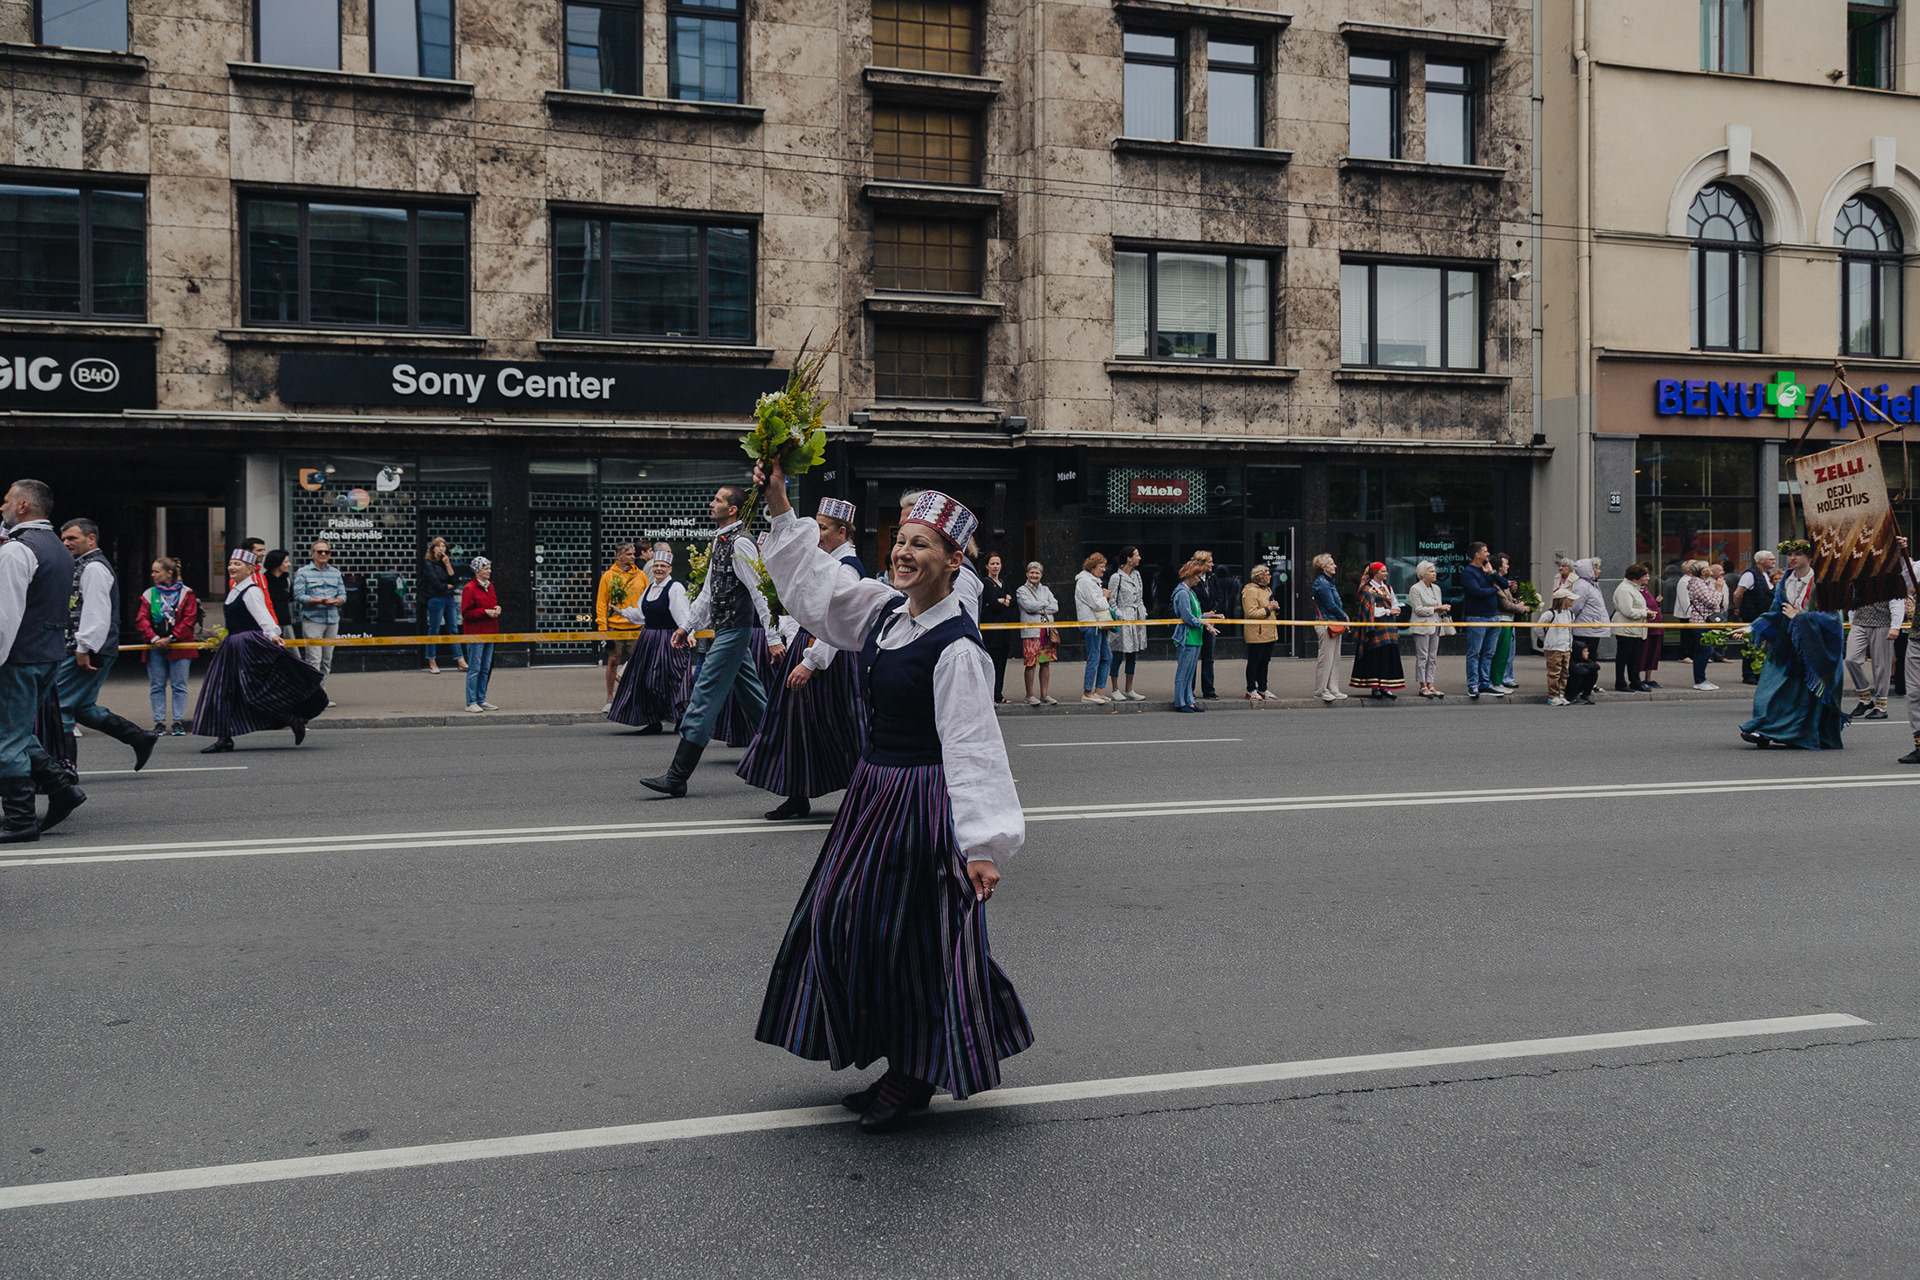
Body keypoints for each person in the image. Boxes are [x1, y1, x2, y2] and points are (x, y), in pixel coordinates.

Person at [752, 462, 1030, 1133]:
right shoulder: (883, 612)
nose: (904, 553)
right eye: (900, 541)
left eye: (920, 544)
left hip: (922, 804)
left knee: (912, 942)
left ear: (953, 560)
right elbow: (817, 591)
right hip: (873, 794)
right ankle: (904, 1057)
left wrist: (983, 844)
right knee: (841, 921)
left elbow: (972, 746)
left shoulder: (957, 648)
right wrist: (781, 502)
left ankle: (913, 1072)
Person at [641, 483, 780, 798]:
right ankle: (785, 755)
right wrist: (687, 626)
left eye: (718, 499)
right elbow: (708, 592)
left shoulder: (741, 542)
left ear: (732, 509)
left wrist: (772, 637)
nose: (711, 503)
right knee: (755, 701)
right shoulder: (721, 540)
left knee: (702, 698)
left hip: (734, 631)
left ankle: (677, 776)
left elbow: (759, 591)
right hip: (727, 630)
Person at [737, 498, 868, 821]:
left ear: (841, 532)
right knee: (797, 724)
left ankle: (866, 795)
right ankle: (798, 793)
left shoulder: (847, 567)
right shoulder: (828, 561)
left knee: (843, 726)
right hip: (809, 645)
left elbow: (840, 619)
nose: (817, 534)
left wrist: (811, 662)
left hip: (831, 657)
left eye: (822, 528)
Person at [0, 480, 87, 840]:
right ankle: (62, 788)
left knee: (7, 740)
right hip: (48, 654)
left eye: (6, 501)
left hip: (19, 656)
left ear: (23, 506)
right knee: (17, 731)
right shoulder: (57, 548)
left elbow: (5, 616)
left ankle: (20, 820)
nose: (2, 507)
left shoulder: (17, 551)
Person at [191, 549, 328, 753]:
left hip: (247, 644)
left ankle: (292, 719)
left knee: (254, 691)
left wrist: (273, 635)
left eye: (237, 564)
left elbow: (263, 616)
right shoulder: (235, 589)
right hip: (232, 645)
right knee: (223, 690)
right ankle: (224, 738)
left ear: (250, 569)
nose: (232, 567)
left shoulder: (251, 591)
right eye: (231, 563)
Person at [56, 518, 161, 771]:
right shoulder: (83, 565)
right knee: (82, 708)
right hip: (88, 647)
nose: (66, 543)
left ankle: (64, 771)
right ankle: (139, 737)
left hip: (88, 649)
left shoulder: (93, 568)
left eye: (72, 538)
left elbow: (96, 612)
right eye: (64, 539)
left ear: (91, 539)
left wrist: (84, 648)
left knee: (58, 706)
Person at [1741, 540, 1845, 750]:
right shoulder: (1785, 580)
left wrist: (1800, 617)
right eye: (1789, 554)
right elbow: (1775, 612)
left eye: (1798, 554)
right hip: (1786, 644)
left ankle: (1778, 733)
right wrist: (1752, 628)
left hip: (1813, 648)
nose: (1792, 558)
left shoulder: (1823, 582)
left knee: (1803, 698)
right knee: (1768, 691)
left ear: (1810, 557)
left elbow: (1833, 618)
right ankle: (1763, 728)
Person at [608, 543, 692, 734]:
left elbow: (683, 616)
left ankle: (680, 718)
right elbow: (641, 614)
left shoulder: (675, 588)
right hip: (649, 640)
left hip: (669, 640)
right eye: (656, 566)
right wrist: (621, 611)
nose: (659, 569)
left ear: (670, 568)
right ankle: (653, 720)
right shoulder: (650, 588)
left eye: (663, 566)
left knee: (669, 681)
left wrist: (689, 635)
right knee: (645, 681)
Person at [135, 557, 198, 735]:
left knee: (179, 685)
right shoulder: (149, 594)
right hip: (155, 647)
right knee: (157, 685)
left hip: (180, 645)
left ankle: (178, 721)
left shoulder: (187, 594)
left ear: (169, 573)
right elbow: (141, 619)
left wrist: (171, 637)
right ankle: (159, 722)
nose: (152, 575)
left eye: (156, 571)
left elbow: (189, 620)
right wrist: (155, 638)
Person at [899, 490, 982, 620]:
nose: (904, 529)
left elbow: (963, 622)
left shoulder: (955, 575)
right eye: (902, 526)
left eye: (920, 544)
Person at [596, 541, 646, 712]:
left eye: (633, 554)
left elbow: (646, 599)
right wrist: (602, 628)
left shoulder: (641, 575)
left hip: (636, 626)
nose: (633, 557)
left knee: (637, 663)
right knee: (613, 661)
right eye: (629, 554)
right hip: (614, 627)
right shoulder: (608, 576)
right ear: (619, 556)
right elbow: (601, 603)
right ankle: (610, 699)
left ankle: (635, 697)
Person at [291, 539, 344, 688]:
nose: (323, 554)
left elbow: (343, 594)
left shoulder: (336, 573)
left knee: (327, 660)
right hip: (313, 620)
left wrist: (338, 600)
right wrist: (319, 601)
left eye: (326, 552)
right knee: (314, 659)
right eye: (320, 551)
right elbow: (298, 596)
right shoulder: (303, 572)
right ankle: (313, 693)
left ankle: (322, 691)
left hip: (332, 620)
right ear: (312, 554)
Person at [1348, 561, 1405, 700]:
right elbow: (1370, 610)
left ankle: (1385, 686)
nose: (1386, 573)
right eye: (1383, 571)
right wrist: (1388, 611)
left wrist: (1396, 609)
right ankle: (1375, 687)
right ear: (1375, 573)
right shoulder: (1368, 589)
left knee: (1387, 656)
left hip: (1389, 628)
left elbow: (1395, 603)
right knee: (1376, 656)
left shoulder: (1388, 588)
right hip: (1375, 629)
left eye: (1386, 571)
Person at [1459, 542, 1509, 700]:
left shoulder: (1487, 570)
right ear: (1477, 554)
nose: (1488, 554)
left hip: (1493, 616)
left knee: (1489, 653)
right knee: (1474, 653)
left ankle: (1485, 683)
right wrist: (1494, 589)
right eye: (1485, 552)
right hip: (1477, 616)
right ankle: (1473, 684)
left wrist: (1493, 573)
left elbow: (1505, 584)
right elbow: (1477, 592)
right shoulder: (1468, 573)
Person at [1170, 558, 1217, 713]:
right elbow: (1188, 617)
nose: (1199, 579)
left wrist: (1211, 618)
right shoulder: (1183, 593)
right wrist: (1205, 623)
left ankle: (1189, 701)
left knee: (1189, 673)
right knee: (1183, 673)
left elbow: (1196, 615)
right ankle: (1180, 702)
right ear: (1190, 575)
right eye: (1198, 576)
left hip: (1195, 637)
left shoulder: (1189, 592)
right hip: (1187, 637)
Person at [1844, 595, 1900, 721]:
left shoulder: (1889, 582)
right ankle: (1865, 698)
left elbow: (1897, 600)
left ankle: (1881, 706)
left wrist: (1895, 626)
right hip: (1859, 622)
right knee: (1851, 659)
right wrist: (1852, 621)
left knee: (1881, 664)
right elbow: (1853, 599)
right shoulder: (1857, 582)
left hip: (1882, 623)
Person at [1106, 546, 1147, 701]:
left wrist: (1142, 612)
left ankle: (1129, 689)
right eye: (1137, 555)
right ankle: (1115, 689)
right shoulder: (1116, 577)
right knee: (1117, 655)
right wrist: (1120, 615)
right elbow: (1111, 601)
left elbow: (1140, 598)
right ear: (1129, 558)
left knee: (1132, 655)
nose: (1139, 558)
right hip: (1122, 619)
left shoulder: (1137, 575)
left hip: (1135, 618)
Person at [461, 556, 501, 713]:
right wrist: (485, 612)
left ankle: (481, 699)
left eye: (489, 568)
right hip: (476, 634)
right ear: (477, 570)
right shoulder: (469, 588)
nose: (489, 571)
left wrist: (497, 608)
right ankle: (471, 701)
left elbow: (492, 604)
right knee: (475, 668)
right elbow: (466, 614)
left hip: (490, 632)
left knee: (485, 668)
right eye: (486, 569)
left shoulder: (490, 586)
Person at [1015, 562, 1059, 706]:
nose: (1034, 575)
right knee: (1031, 664)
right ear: (1027, 574)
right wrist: (1045, 604)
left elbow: (1055, 606)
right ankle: (1030, 695)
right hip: (1031, 632)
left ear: (1041, 575)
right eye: (1032, 572)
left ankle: (1044, 695)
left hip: (1046, 631)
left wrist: (1039, 606)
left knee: (1045, 663)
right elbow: (1028, 607)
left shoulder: (1045, 589)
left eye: (1037, 573)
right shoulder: (1021, 590)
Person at [421, 536, 465, 675]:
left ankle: (460, 660)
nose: (441, 548)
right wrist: (446, 586)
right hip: (435, 598)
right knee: (434, 629)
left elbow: (455, 580)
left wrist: (447, 564)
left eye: (443, 546)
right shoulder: (428, 563)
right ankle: (432, 661)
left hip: (449, 598)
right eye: (438, 546)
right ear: (433, 548)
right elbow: (436, 583)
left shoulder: (445, 562)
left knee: (453, 629)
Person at [1567, 557, 1608, 706]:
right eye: (1596, 568)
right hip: (1585, 630)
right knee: (1583, 661)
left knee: (1590, 661)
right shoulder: (1583, 586)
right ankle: (1577, 691)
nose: (1599, 571)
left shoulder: (1592, 585)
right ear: (1589, 570)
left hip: (1592, 629)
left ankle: (1586, 690)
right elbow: (1575, 607)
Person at [1733, 549, 1778, 684]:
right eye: (1770, 559)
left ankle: (1759, 673)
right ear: (1761, 561)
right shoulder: (1750, 575)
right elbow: (1738, 594)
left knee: (1762, 645)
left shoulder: (1767, 575)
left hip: (1764, 615)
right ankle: (1748, 674)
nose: (1774, 561)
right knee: (1751, 645)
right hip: (1752, 614)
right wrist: (1740, 608)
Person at [1407, 559, 1450, 699]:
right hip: (1422, 626)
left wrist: (1443, 609)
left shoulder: (1436, 588)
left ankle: (1431, 684)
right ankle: (1423, 685)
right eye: (1431, 571)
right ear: (1422, 574)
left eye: (1435, 571)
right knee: (1423, 657)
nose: (1434, 573)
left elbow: (1438, 607)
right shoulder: (1415, 589)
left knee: (1432, 657)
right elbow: (1418, 610)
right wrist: (1437, 608)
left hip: (1435, 625)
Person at [1074, 553, 1114, 704]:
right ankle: (1087, 692)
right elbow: (1097, 604)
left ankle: (1099, 691)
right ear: (1092, 567)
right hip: (1091, 624)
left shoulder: (1092, 581)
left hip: (1097, 624)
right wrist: (1105, 596)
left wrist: (1103, 596)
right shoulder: (1085, 581)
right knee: (1094, 657)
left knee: (1107, 656)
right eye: (1101, 566)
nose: (1104, 569)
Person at [979, 553, 1018, 703]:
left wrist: (1002, 601)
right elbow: (993, 604)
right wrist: (1002, 601)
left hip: (1004, 630)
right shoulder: (986, 583)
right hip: (992, 631)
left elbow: (1013, 602)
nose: (995, 566)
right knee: (992, 663)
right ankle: (989, 695)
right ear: (987, 566)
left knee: (1001, 663)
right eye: (992, 563)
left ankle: (998, 694)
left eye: (998, 563)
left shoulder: (1003, 582)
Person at [1310, 552, 1348, 702]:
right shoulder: (1323, 583)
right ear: (1323, 567)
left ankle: (1332, 688)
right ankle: (1321, 690)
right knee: (1326, 658)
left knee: (1334, 658)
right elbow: (1330, 605)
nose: (1335, 566)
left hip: (1332, 622)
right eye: (1331, 564)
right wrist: (1344, 615)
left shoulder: (1327, 582)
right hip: (1326, 623)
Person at [1611, 564, 1653, 692]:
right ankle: (1620, 682)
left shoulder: (1633, 588)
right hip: (1626, 628)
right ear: (1636, 577)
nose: (1648, 578)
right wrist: (1645, 613)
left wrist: (1646, 611)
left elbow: (1635, 607)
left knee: (1634, 657)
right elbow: (1628, 611)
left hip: (1634, 628)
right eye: (1645, 576)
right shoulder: (1625, 589)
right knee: (1623, 657)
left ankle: (1635, 681)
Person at [1241, 564, 1279, 701]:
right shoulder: (1251, 591)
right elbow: (1250, 613)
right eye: (1267, 574)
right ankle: (1251, 689)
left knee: (1265, 662)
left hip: (1269, 631)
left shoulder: (1267, 589)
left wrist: (1275, 608)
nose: (1270, 576)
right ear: (1261, 577)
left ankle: (1262, 688)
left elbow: (1269, 608)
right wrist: (1269, 608)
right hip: (1257, 632)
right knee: (1254, 661)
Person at [1191, 551, 1226, 699]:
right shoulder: (1192, 578)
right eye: (1209, 562)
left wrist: (1214, 611)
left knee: (1208, 656)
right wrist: (1202, 613)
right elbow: (1190, 598)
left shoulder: (1212, 577)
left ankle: (1208, 689)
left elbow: (1219, 596)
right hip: (1196, 621)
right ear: (1201, 563)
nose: (1212, 564)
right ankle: (1189, 690)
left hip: (1210, 619)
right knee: (1192, 657)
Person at [1685, 560, 1723, 691]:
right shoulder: (1698, 584)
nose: (1711, 570)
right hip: (1700, 621)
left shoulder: (1702, 583)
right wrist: (1718, 590)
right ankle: (1700, 680)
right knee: (1706, 650)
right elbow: (1712, 602)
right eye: (1708, 568)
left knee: (1703, 650)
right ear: (1703, 572)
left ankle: (1701, 679)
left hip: (1704, 621)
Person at [1491, 552, 1523, 690]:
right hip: (1501, 620)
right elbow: (1504, 604)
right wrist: (1522, 608)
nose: (1508, 566)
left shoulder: (1503, 583)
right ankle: (1496, 681)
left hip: (1508, 620)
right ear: (1499, 567)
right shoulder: (1497, 584)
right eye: (1505, 564)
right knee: (1499, 653)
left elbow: (1509, 599)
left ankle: (1503, 679)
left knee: (1507, 653)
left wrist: (1516, 599)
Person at [1542, 586, 1576, 705]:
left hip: (1566, 647)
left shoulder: (1570, 614)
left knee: (1564, 672)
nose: (1573, 601)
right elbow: (1539, 628)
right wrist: (1547, 639)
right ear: (1564, 600)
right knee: (1554, 673)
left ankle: (1561, 693)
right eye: (1570, 599)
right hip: (1554, 648)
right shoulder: (1550, 614)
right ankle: (1553, 695)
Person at [1637, 567, 1665, 689]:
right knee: (1643, 652)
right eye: (1645, 576)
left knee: (1653, 653)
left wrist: (1657, 603)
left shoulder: (1645, 589)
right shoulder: (1635, 590)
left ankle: (1648, 678)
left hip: (1656, 625)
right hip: (1647, 627)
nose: (1648, 578)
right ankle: (1638, 678)